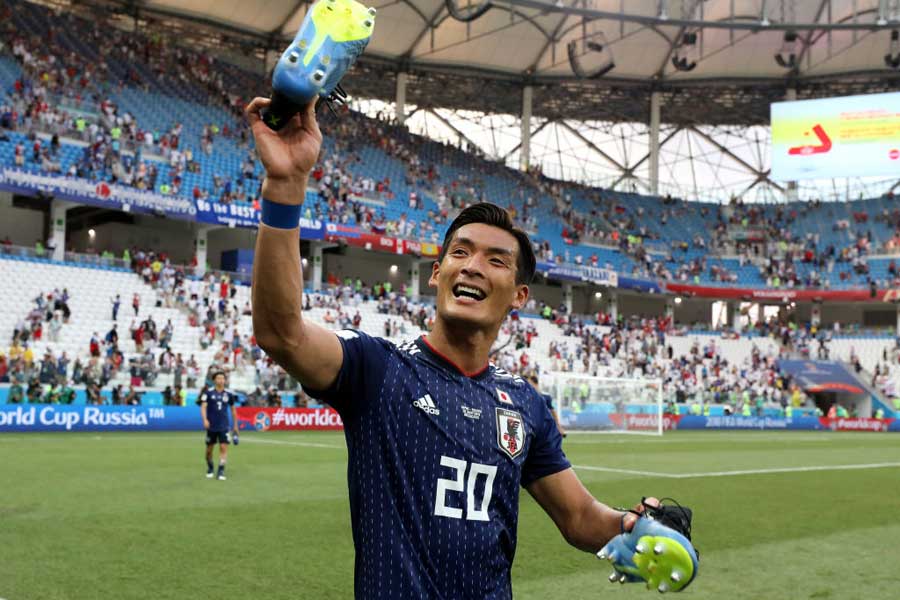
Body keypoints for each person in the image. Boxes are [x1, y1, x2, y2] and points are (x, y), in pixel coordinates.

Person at [246, 97, 661, 599]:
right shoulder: (379, 370)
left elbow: (578, 518)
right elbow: (280, 331)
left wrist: (637, 526)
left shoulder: (524, 404)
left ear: (520, 295)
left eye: (495, 260)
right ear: (437, 274)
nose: (471, 266)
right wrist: (286, 184)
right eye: (459, 253)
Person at [198, 371, 238, 480]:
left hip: (224, 426)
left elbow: (233, 411)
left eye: (222, 378)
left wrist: (235, 426)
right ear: (214, 380)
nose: (220, 380)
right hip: (211, 425)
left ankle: (221, 471)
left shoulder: (229, 394)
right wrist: (205, 419)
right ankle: (210, 467)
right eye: (218, 378)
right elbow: (203, 407)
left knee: (223, 447)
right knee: (209, 450)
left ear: (225, 380)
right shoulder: (208, 393)